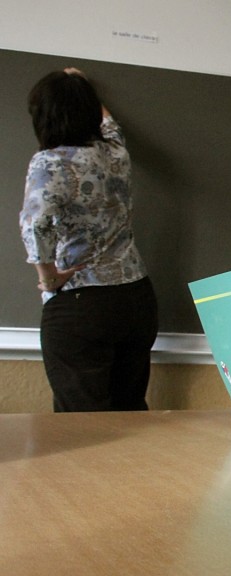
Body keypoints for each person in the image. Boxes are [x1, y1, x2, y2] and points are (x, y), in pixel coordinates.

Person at [19, 68, 158, 412]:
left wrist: (49, 278)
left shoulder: (49, 162)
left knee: (81, 426)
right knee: (129, 414)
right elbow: (110, 124)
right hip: (136, 298)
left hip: (81, 304)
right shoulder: (115, 153)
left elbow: (34, 224)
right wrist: (82, 88)